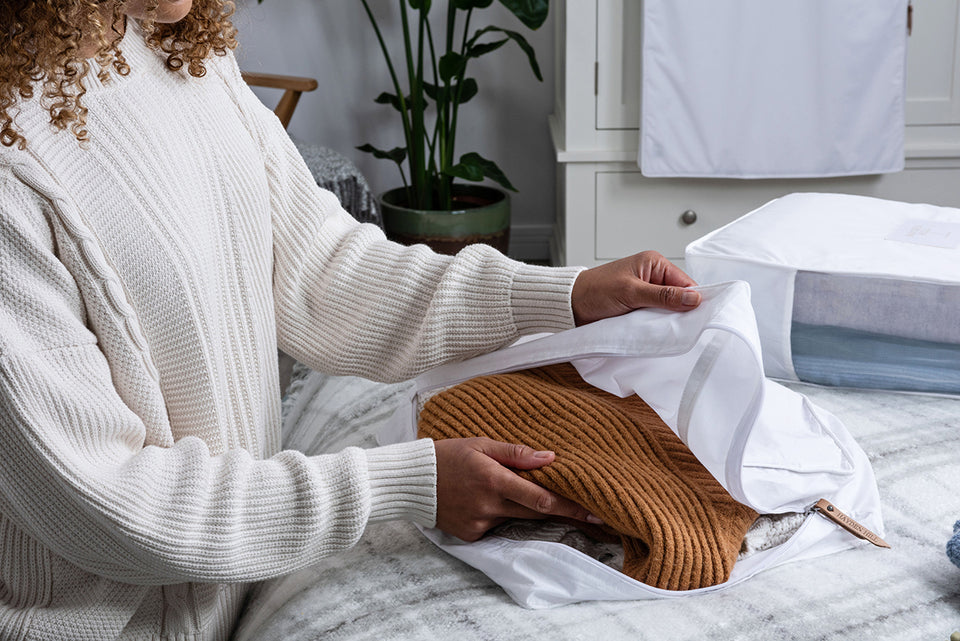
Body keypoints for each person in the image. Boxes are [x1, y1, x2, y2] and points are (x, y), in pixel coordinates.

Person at [0, 1, 702, 639]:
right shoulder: (15, 167)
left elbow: (328, 275)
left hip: (232, 595)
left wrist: (564, 294)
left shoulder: (180, 49)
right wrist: (402, 486)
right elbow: (114, 500)